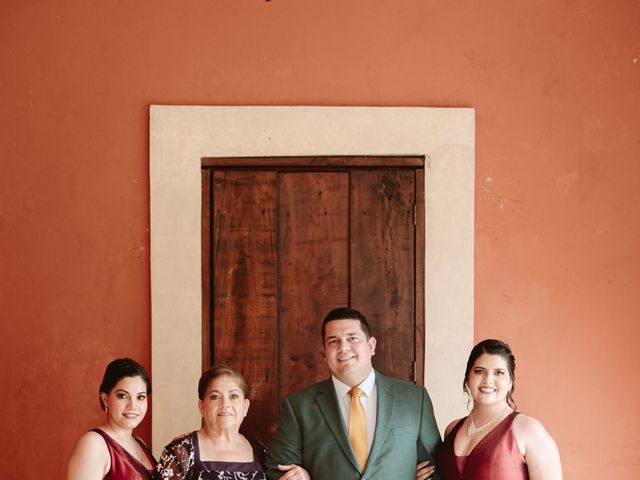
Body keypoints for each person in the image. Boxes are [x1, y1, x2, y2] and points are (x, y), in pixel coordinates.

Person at [265, 307, 441, 480]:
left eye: (352, 338)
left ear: (371, 346)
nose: (343, 348)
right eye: (333, 341)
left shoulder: (414, 398)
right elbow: (277, 470)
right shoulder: (298, 406)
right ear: (325, 351)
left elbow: (436, 469)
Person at [435, 339, 563, 480]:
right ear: (467, 379)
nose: (488, 380)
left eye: (499, 373)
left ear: (510, 382)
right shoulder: (451, 430)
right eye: (479, 371)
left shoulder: (528, 429)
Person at [155, 364, 281, 480]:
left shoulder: (261, 452)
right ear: (202, 406)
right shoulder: (180, 451)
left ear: (245, 407)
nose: (225, 404)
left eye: (234, 396)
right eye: (215, 397)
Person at [67, 357, 156, 480]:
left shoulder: (140, 444)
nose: (133, 406)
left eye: (140, 397)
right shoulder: (94, 444)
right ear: (106, 398)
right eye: (123, 396)